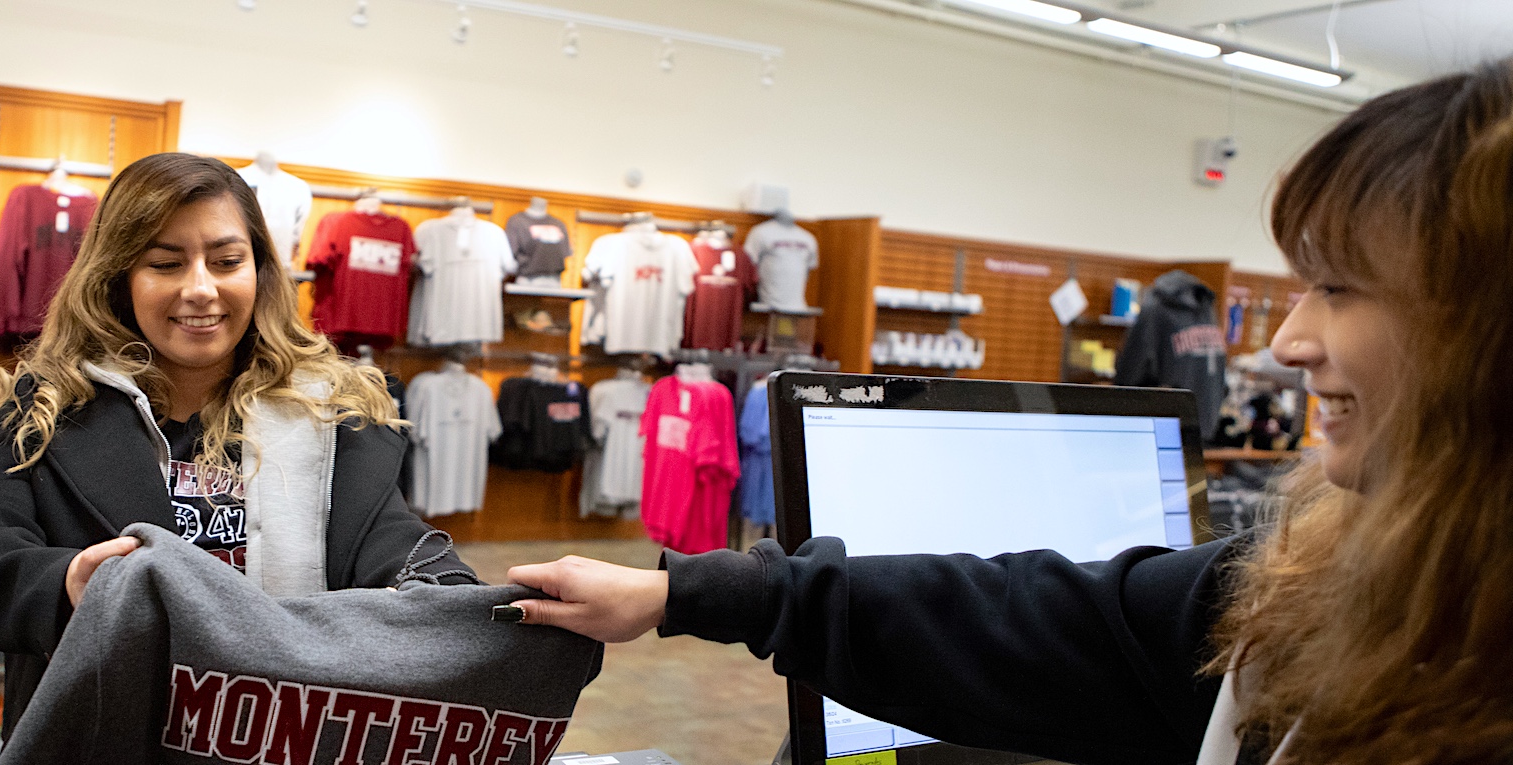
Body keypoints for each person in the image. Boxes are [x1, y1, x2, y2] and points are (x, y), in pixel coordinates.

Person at [509, 60, 1513, 764]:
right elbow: (1038, 617)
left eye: (1337, 288)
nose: (1289, 342)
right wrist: (694, 596)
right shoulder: (1317, 582)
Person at [0, 153, 471, 740]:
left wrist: (469, 600)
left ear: (261, 271)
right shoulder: (47, 407)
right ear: (119, 277)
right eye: (165, 263)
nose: (200, 289)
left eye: (227, 261)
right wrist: (64, 582)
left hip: (276, 740)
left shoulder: (332, 411)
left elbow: (387, 535)